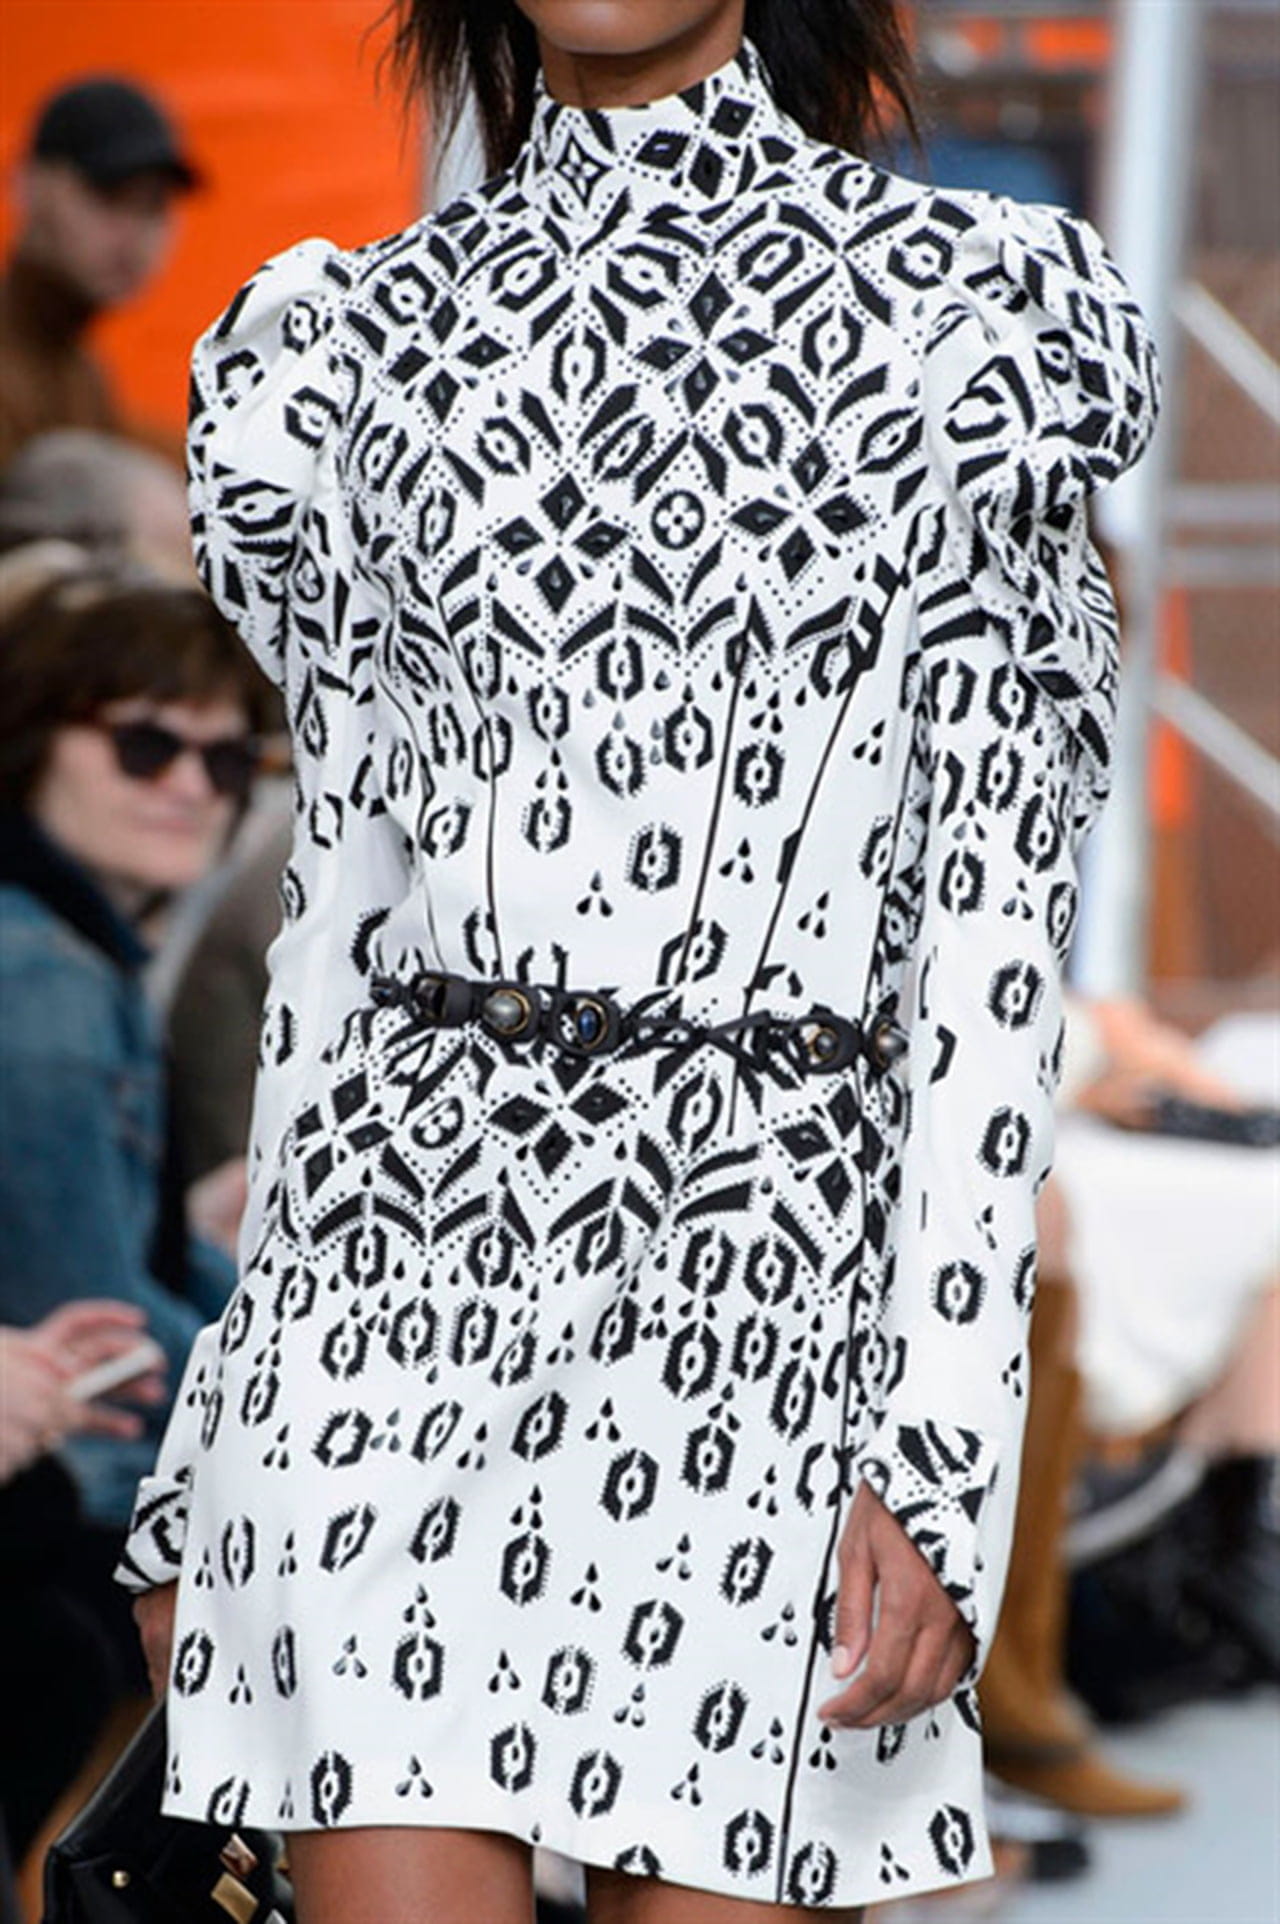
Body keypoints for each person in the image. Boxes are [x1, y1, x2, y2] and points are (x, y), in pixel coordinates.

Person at [118, 2, 1159, 1919]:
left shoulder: (966, 319)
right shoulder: (347, 346)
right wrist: (218, 1434)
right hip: (390, 1295)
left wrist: (939, 1449)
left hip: (769, 1282)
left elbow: (988, 957)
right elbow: (340, 923)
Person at [0, 563, 272, 1662]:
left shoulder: (65, 955)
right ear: (33, 740)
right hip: (73, 1532)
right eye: (145, 745)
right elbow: (103, 1343)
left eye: (227, 760)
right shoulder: (41, 977)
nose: (190, 787)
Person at [0, 75, 199, 469]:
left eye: (154, 205)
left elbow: (120, 443)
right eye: (109, 195)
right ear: (28, 185)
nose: (133, 234)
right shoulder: (24, 365)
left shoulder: (75, 368)